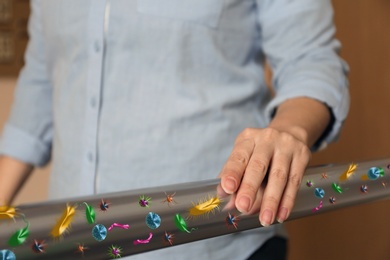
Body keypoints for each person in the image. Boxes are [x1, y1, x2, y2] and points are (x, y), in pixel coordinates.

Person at [0, 0, 349, 259]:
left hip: (219, 245)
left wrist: (290, 130)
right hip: (71, 243)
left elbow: (311, 60)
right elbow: (42, 85)